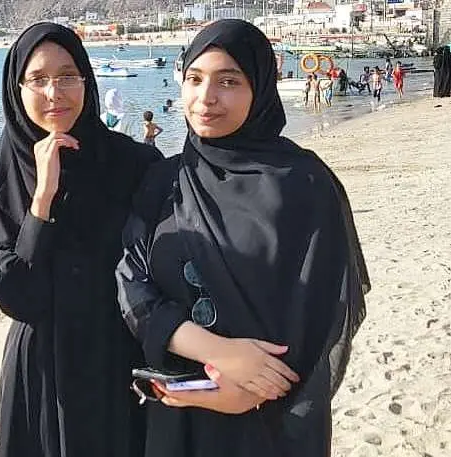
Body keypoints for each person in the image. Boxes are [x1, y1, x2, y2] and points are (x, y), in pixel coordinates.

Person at [115, 19, 369, 457]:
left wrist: (248, 392)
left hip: (270, 414)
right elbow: (131, 284)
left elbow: (323, 310)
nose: (206, 98)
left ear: (260, 89)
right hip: (179, 411)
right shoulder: (164, 182)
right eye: (194, 79)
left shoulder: (303, 183)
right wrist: (218, 353)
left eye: (228, 81)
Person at [0, 22, 161, 457]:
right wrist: (43, 198)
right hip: (44, 374)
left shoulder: (135, 164)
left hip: (121, 362)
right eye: (38, 79)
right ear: (17, 90)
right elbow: (16, 296)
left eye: (66, 76)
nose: (54, 92)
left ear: (86, 80)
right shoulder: (7, 178)